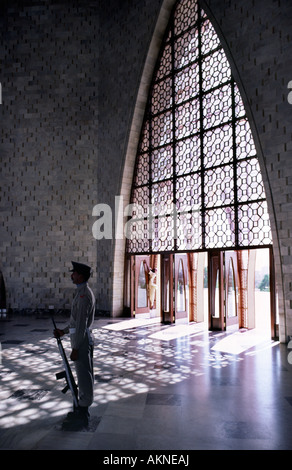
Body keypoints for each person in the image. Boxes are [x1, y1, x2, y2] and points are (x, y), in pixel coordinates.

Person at [54, 261, 95, 430]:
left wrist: (76, 348)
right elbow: (75, 322)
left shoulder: (84, 294)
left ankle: (83, 411)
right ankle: (80, 407)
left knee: (84, 377)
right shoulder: (80, 293)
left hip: (81, 341)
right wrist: (63, 331)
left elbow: (80, 324)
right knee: (81, 375)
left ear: (82, 276)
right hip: (79, 339)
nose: (72, 276)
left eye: (74, 274)